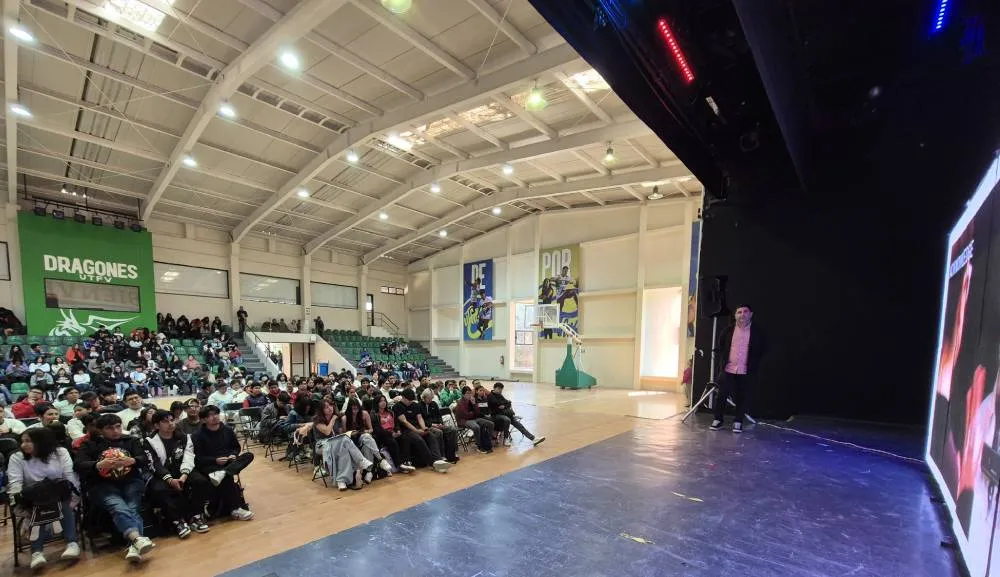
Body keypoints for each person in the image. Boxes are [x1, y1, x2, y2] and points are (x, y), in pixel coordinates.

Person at [74, 413, 156, 563]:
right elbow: (78, 464)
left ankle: (134, 545)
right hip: (101, 485)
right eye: (110, 428)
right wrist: (97, 465)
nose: (115, 431)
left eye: (118, 427)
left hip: (131, 481)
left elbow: (144, 459)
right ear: (100, 430)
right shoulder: (90, 445)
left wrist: (132, 460)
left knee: (132, 506)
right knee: (118, 506)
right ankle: (137, 540)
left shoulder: (131, 440)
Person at [7, 427, 81, 569]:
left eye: (28, 441)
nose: (24, 445)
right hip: (31, 499)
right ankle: (36, 552)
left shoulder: (60, 452)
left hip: (60, 495)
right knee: (42, 501)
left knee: (61, 500)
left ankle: (72, 543)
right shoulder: (17, 457)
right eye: (22, 441)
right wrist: (16, 502)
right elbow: (15, 483)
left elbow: (69, 476)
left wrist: (75, 497)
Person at [144, 410, 210, 538]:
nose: (170, 423)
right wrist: (169, 479)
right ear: (156, 426)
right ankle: (177, 521)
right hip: (162, 473)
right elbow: (154, 464)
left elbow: (189, 457)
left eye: (172, 420)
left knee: (200, 481)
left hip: (182, 470)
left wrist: (184, 475)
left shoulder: (184, 437)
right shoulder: (149, 441)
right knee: (159, 489)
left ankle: (195, 516)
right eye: (165, 421)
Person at [190, 405, 254, 521]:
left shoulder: (227, 430)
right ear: (204, 420)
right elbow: (198, 458)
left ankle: (223, 473)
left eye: (216, 414)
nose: (214, 417)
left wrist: (233, 454)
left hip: (228, 462)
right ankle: (235, 509)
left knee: (248, 455)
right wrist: (215, 460)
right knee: (227, 477)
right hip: (210, 464)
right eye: (210, 415)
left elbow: (236, 447)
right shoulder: (197, 435)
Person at [710, 304, 766, 433]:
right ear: (735, 315)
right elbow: (721, 346)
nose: (742, 314)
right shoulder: (728, 331)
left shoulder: (757, 332)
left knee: (742, 396)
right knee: (722, 395)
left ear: (750, 314)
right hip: (728, 369)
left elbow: (761, 350)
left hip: (746, 370)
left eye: (745, 312)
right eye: (739, 312)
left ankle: (738, 421)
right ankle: (718, 419)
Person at [394, 389, 452, 472]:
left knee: (431, 436)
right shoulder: (397, 407)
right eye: (408, 400)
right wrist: (417, 431)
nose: (410, 402)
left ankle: (438, 459)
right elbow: (404, 422)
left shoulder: (415, 405)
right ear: (403, 397)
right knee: (418, 439)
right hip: (406, 430)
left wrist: (424, 427)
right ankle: (432, 463)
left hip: (418, 427)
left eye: (412, 400)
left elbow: (419, 417)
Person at [419, 388, 459, 463]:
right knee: (439, 432)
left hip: (437, 424)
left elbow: (439, 416)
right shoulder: (419, 405)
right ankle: (441, 455)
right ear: (424, 397)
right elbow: (421, 419)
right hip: (428, 426)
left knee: (452, 429)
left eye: (431, 398)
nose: (430, 400)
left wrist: (440, 423)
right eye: (429, 398)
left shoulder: (434, 404)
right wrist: (432, 425)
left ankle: (451, 453)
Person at [454, 386, 494, 453]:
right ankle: (479, 446)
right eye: (467, 393)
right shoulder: (460, 403)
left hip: (474, 419)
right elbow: (465, 415)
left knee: (490, 424)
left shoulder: (472, 401)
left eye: (470, 393)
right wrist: (473, 413)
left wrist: (474, 404)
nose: (469, 395)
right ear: (463, 394)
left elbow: (477, 412)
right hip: (463, 421)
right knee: (476, 427)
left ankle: (487, 442)